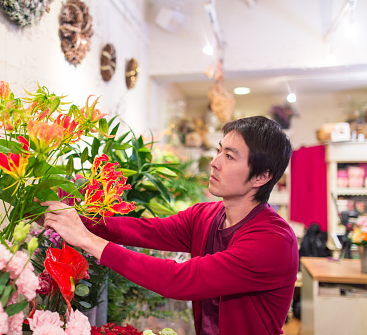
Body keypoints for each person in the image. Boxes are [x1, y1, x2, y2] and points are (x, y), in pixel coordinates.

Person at [40, 116, 298, 335]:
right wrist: (64, 213)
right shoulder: (206, 216)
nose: (215, 162)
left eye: (229, 157)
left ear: (262, 176)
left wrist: (86, 239)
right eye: (219, 150)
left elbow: (180, 279)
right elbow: (143, 230)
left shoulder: (272, 241)